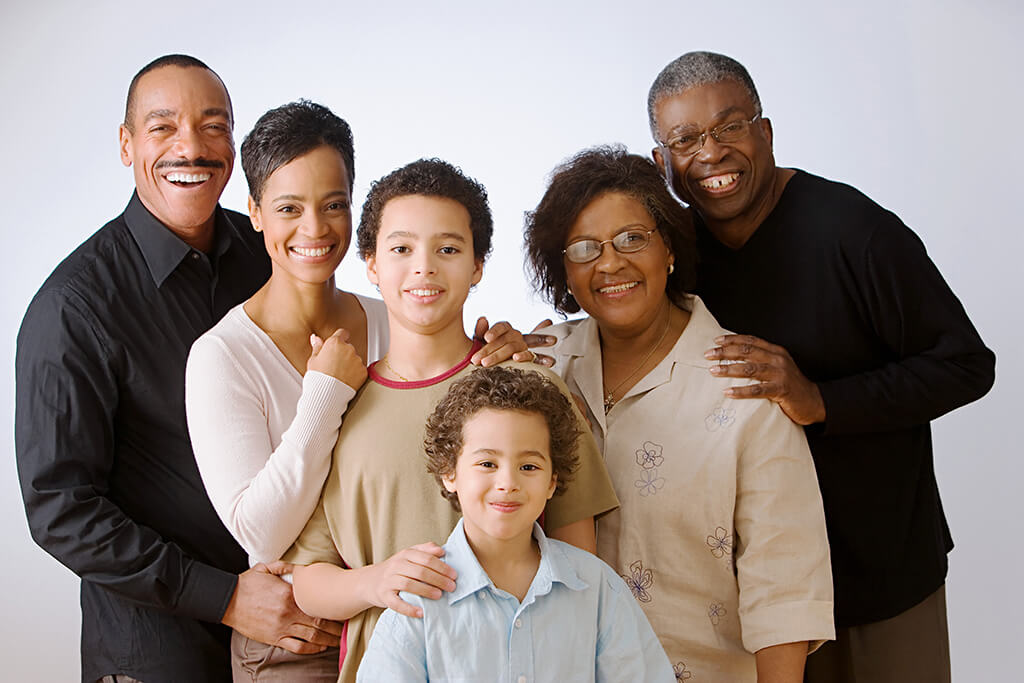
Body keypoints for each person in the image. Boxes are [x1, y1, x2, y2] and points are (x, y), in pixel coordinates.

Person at [647, 51, 996, 683]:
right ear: (662, 162)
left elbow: (966, 364)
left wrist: (824, 401)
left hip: (875, 577)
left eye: (729, 127)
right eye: (686, 139)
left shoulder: (858, 234)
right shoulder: (673, 255)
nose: (711, 153)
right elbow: (607, 317)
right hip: (750, 594)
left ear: (765, 132)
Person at [185, 101, 543, 681]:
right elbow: (262, 534)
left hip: (420, 627)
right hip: (295, 632)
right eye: (288, 209)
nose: (315, 229)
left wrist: (500, 355)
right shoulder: (222, 355)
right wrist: (323, 395)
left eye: (334, 205)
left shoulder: (395, 315)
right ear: (253, 213)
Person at [14, 55, 340, 682]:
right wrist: (225, 596)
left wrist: (476, 350)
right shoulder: (73, 307)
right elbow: (61, 509)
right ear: (126, 144)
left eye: (213, 126)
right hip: (157, 652)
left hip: (298, 639)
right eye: (163, 127)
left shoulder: (270, 249)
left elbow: (356, 362)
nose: (192, 147)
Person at [284, 158, 620, 681]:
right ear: (370, 263)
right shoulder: (342, 408)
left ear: (478, 265)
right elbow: (307, 581)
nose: (424, 268)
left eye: (448, 249)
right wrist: (375, 583)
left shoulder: (531, 390)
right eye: (401, 249)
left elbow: (582, 569)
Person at [524, 146, 834, 682]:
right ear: (565, 273)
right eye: (583, 248)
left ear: (668, 247)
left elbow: (784, 580)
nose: (610, 262)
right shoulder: (540, 365)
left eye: (632, 238)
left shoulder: (746, 382)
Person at [356, 366, 674, 682]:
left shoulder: (598, 589)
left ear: (552, 481)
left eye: (528, 465)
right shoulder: (417, 602)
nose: (508, 482)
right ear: (449, 472)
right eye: (487, 463)